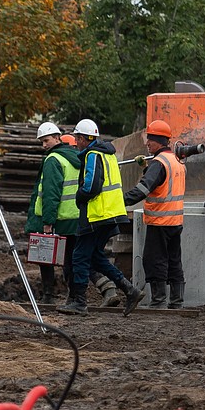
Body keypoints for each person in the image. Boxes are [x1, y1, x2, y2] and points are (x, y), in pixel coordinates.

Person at [58, 118, 143, 316]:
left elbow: (91, 186)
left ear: (83, 138)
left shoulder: (93, 155)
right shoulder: (108, 154)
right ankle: (130, 290)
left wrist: (80, 196)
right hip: (112, 214)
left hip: (97, 215)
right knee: (95, 257)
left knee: (79, 256)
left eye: (77, 138)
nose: (76, 142)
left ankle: (79, 302)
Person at [122, 120, 186, 308]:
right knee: (174, 260)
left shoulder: (159, 163)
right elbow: (163, 185)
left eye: (149, 139)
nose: (146, 143)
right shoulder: (176, 161)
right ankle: (177, 301)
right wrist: (145, 168)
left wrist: (120, 200)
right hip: (175, 221)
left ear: (158, 140)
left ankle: (158, 301)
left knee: (154, 260)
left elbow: (143, 189)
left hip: (160, 221)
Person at [26, 122, 81, 304]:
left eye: (46, 140)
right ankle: (74, 297)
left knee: (45, 255)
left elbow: (51, 193)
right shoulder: (75, 156)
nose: (44, 145)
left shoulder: (53, 160)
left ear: (57, 138)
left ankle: (48, 295)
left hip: (57, 217)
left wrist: (48, 221)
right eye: (41, 142)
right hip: (75, 216)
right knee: (72, 259)